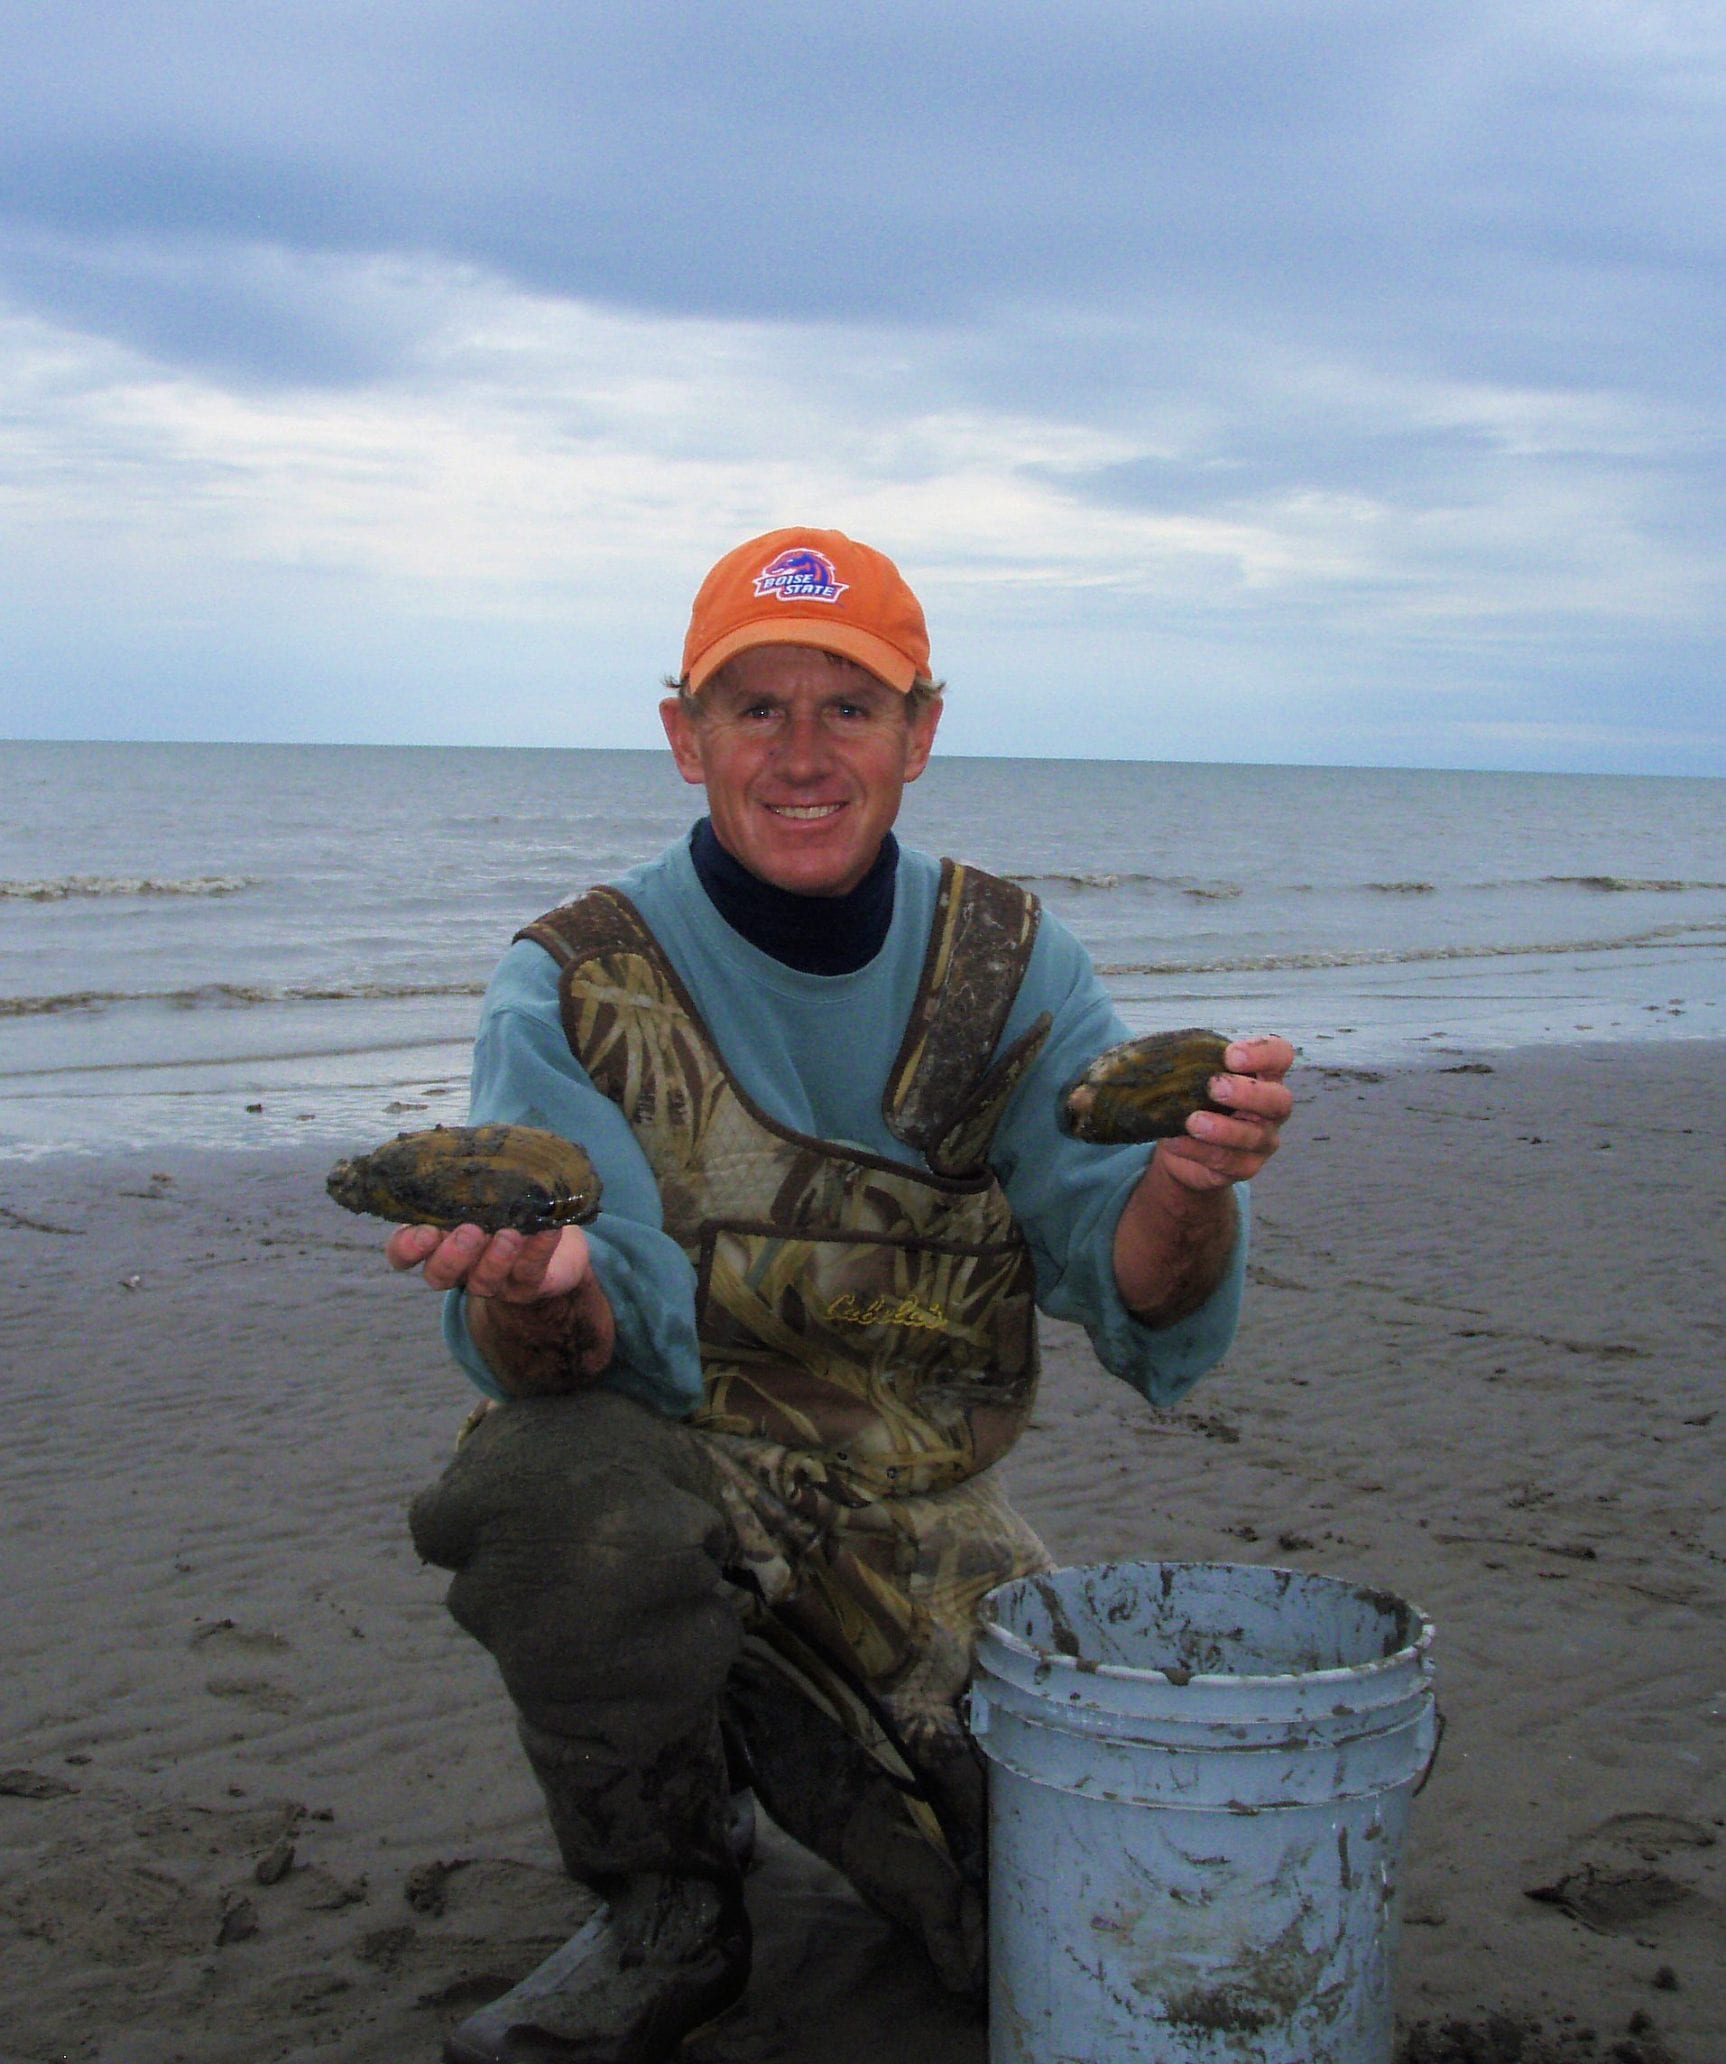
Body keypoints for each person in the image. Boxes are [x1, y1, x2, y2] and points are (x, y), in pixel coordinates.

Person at [389, 528, 1294, 2064]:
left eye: (849, 709)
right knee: (554, 1486)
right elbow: (562, 1348)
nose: (802, 755)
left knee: (1024, 1928)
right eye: (757, 710)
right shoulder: (569, 983)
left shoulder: (1010, 965)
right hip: (671, 1466)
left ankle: (777, 1719)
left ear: (919, 733)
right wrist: (541, 1289)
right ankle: (663, 1901)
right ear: (686, 738)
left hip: (911, 1507)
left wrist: (1187, 1193)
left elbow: (1129, 1278)